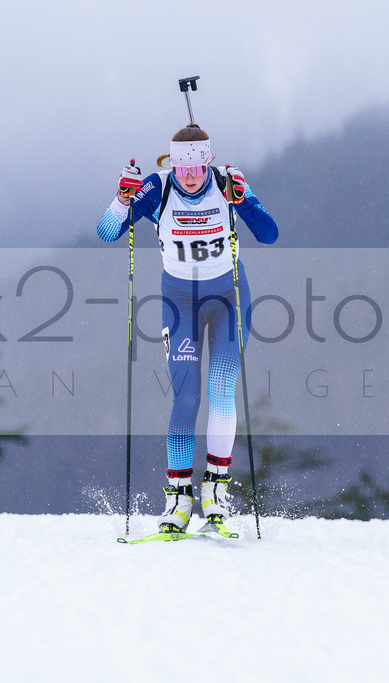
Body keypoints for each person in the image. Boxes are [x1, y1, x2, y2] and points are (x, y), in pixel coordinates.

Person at [96, 123, 278, 533]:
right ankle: (178, 499)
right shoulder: (157, 187)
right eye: (181, 168)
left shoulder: (226, 184)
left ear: (208, 161)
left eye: (196, 168)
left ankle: (216, 491)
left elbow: (269, 234)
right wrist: (122, 199)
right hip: (180, 303)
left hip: (228, 296)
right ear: (171, 164)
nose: (189, 176)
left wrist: (245, 201)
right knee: (187, 397)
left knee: (220, 387)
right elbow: (107, 232)